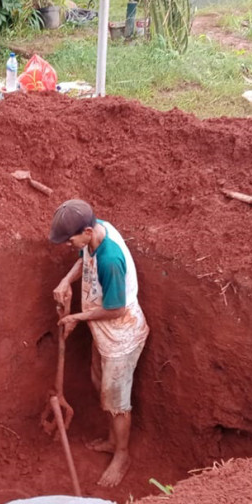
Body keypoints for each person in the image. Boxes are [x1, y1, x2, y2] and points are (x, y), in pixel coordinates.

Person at [49, 199, 149, 487]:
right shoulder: (96, 232)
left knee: (117, 402)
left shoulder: (110, 260)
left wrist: (77, 317)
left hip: (120, 335)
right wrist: (66, 281)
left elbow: (116, 309)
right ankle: (111, 438)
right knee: (99, 383)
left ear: (88, 230)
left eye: (71, 239)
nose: (70, 244)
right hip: (103, 332)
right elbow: (83, 259)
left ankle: (122, 454)